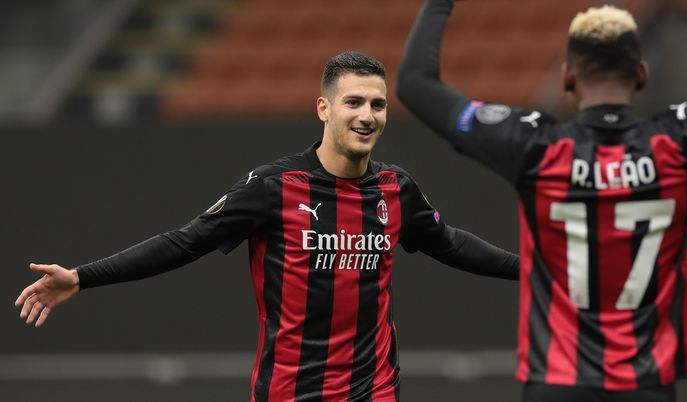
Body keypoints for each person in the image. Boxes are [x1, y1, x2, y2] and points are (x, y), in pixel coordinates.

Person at [16, 51, 518, 402]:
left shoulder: (396, 188)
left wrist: (534, 270)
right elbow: (184, 242)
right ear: (324, 108)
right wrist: (83, 277)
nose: (367, 116)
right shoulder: (273, 187)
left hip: (375, 389)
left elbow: (450, 244)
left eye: (378, 104)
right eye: (354, 103)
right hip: (290, 391)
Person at [398, 1, 687, 401]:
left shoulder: (538, 148)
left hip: (557, 384)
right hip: (646, 386)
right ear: (641, 73)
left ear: (567, 76)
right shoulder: (682, 140)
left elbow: (415, 83)